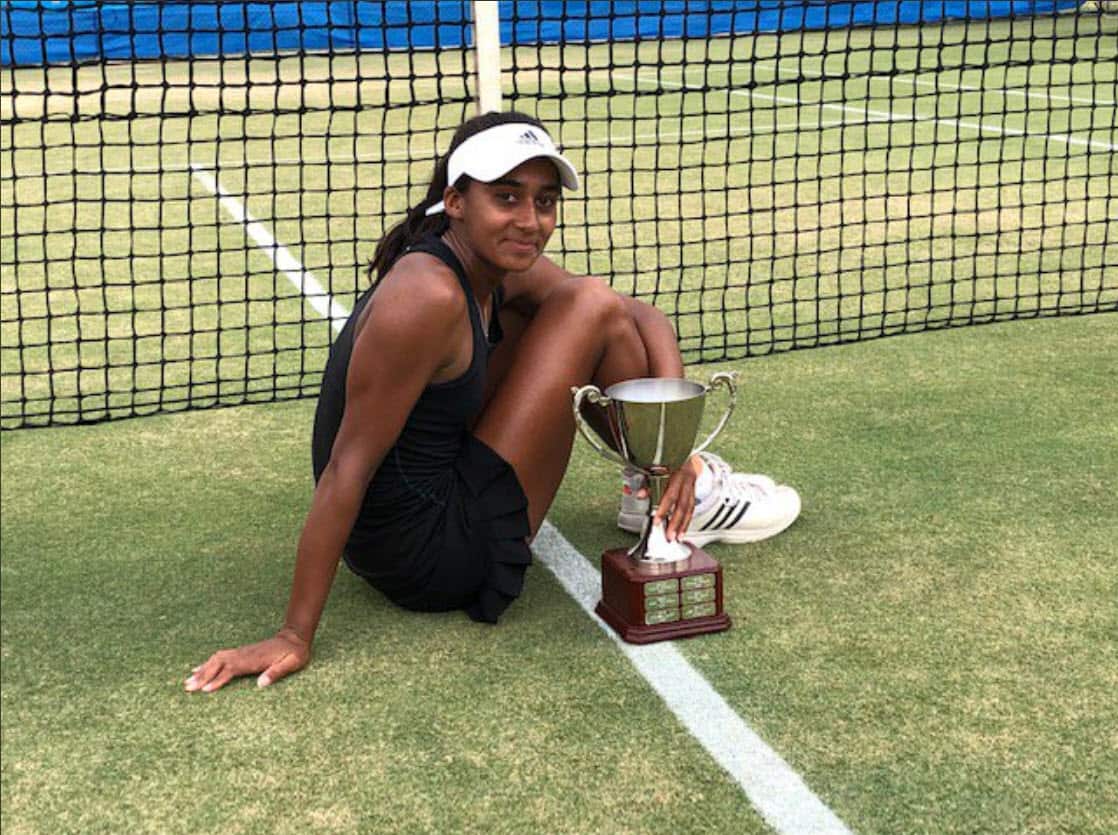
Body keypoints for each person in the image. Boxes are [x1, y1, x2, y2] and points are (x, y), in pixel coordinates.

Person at [185, 111, 799, 694]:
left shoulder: (490, 263)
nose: (530, 220)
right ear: (455, 201)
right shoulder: (426, 295)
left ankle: (660, 489)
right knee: (584, 307)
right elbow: (347, 464)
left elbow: (635, 314)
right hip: (431, 554)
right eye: (506, 197)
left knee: (595, 313)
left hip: (439, 490)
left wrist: (677, 446)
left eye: (545, 200)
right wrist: (294, 633)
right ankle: (672, 497)